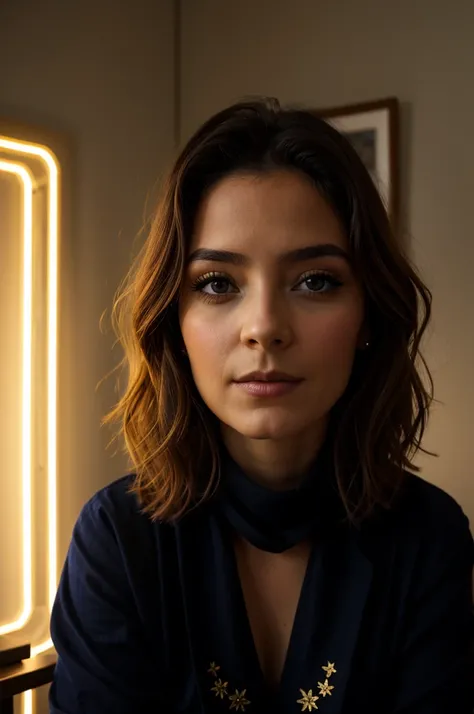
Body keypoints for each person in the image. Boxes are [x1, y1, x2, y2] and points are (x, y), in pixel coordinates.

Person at [49, 97, 474, 714]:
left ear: (367, 316)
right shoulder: (117, 539)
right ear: (175, 318)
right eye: (218, 284)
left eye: (315, 281)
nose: (265, 328)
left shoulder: (428, 537)